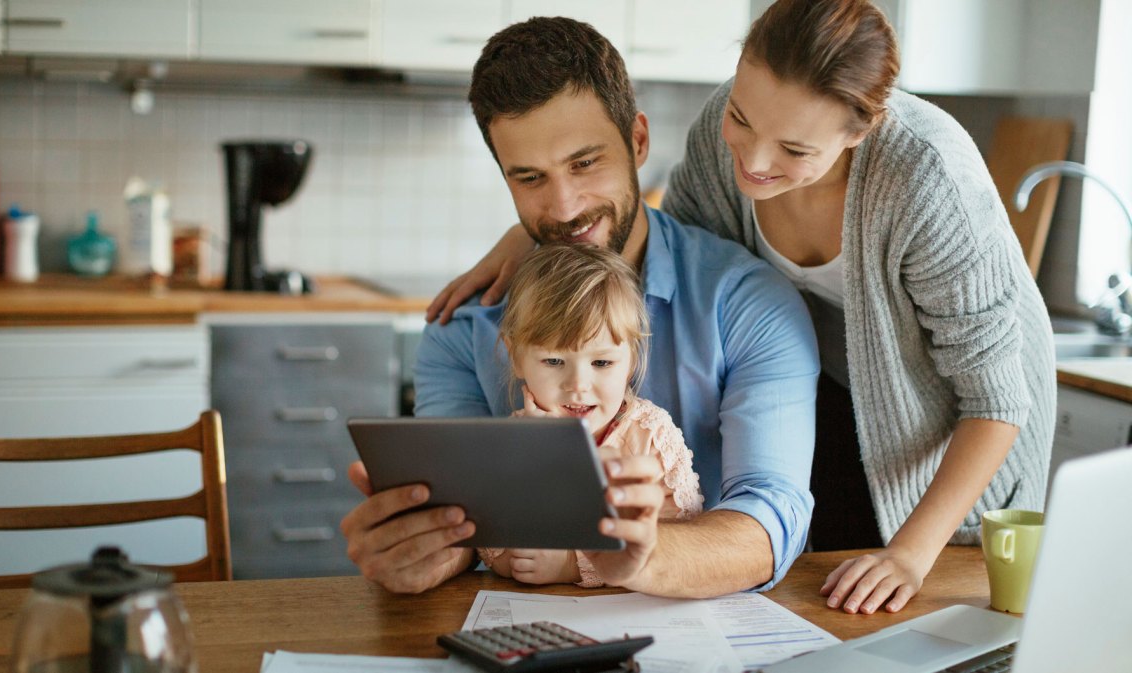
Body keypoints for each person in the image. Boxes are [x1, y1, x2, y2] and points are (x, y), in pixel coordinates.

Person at [425, 0, 1056, 615]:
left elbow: (995, 400)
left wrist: (912, 554)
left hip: (959, 421)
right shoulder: (715, 139)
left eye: (795, 151)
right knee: (828, 574)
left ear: (860, 131)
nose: (752, 164)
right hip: (828, 381)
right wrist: (545, 244)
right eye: (742, 119)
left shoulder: (927, 178)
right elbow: (671, 252)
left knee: (907, 595)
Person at [340, 16, 821, 598]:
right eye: (530, 177)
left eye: (584, 163)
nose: (564, 206)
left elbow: (772, 518)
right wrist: (422, 552)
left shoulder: (748, 304)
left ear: (638, 141)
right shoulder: (464, 327)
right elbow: (463, 522)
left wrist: (639, 558)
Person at [479, 243, 703, 587]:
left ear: (631, 359)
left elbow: (680, 535)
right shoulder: (511, 443)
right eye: (554, 361)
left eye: (602, 362)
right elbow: (492, 540)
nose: (578, 385)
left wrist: (573, 565)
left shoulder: (651, 435)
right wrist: (513, 560)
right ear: (517, 357)